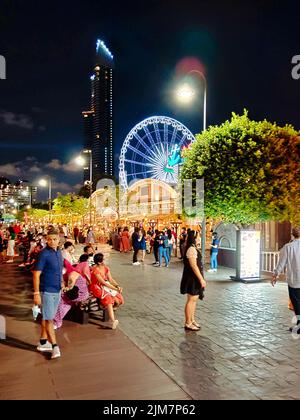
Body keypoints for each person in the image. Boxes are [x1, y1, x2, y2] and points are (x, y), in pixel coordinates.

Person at [33, 228, 64, 359]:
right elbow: (36, 274)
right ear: (46, 239)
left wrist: (62, 281)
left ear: (59, 239)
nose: (52, 241)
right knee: (49, 319)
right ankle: (55, 346)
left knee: (47, 316)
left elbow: (59, 269)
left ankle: (43, 342)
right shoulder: (43, 254)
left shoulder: (59, 253)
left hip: (57, 289)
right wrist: (36, 293)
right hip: (46, 290)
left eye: (54, 239)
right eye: (49, 239)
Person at [272, 226, 300, 334]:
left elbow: (282, 263)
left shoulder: (288, 247)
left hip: (294, 280)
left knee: (297, 303)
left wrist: (275, 274)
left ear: (292, 234)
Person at [180, 230, 207, 331]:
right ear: (194, 238)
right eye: (198, 236)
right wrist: (201, 279)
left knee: (194, 300)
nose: (199, 238)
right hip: (192, 278)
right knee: (191, 300)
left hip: (194, 277)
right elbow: (194, 266)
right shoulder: (191, 249)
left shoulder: (193, 248)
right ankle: (188, 322)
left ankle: (192, 319)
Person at [89, 253, 124, 329]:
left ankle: (105, 306)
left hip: (105, 286)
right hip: (96, 287)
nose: (105, 260)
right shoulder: (95, 270)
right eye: (103, 259)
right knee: (108, 298)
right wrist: (115, 289)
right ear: (99, 262)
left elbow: (110, 279)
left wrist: (117, 286)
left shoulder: (106, 268)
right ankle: (112, 321)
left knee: (119, 298)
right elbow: (103, 282)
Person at [53, 259, 89, 329]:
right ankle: (54, 316)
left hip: (81, 294)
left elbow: (69, 288)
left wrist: (62, 288)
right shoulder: (67, 273)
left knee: (63, 300)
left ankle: (57, 322)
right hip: (74, 292)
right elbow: (63, 284)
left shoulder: (72, 275)